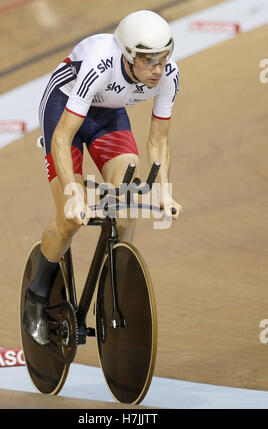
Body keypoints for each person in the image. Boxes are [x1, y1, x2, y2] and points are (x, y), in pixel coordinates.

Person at [23, 10, 183, 346]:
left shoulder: (169, 74)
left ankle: (115, 291)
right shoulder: (99, 64)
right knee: (70, 217)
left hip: (107, 113)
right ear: (128, 55)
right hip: (64, 107)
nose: (159, 69)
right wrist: (75, 193)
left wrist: (165, 192)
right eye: (150, 60)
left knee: (125, 204)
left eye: (164, 58)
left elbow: (159, 140)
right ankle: (36, 296)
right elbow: (63, 139)